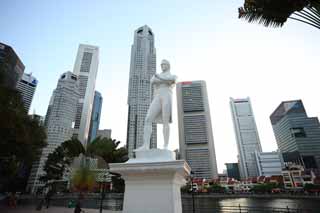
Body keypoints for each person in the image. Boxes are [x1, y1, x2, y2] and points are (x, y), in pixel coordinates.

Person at [136, 59, 177, 150]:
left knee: (165, 121)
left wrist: (160, 78)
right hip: (158, 96)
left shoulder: (172, 75)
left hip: (167, 96)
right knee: (148, 119)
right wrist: (163, 80)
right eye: (161, 65)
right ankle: (146, 145)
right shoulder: (158, 75)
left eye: (164, 64)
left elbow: (172, 80)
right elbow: (152, 81)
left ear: (168, 65)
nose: (162, 66)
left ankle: (165, 145)